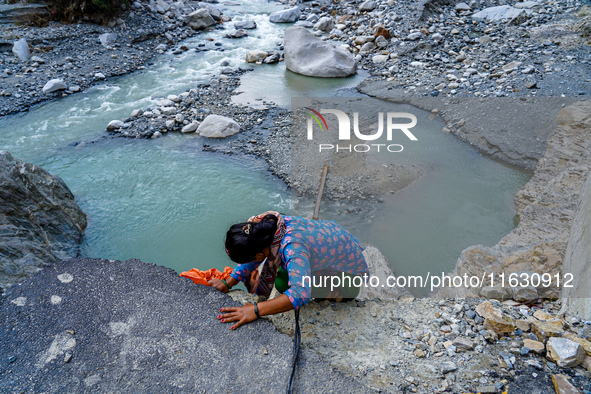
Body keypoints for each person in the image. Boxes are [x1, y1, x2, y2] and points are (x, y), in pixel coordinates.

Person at [208, 211, 368, 330]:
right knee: (284, 277)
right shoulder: (264, 224)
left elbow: (300, 294)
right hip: (330, 242)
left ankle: (336, 294)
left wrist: (256, 310)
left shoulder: (292, 248)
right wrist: (227, 282)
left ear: (259, 254)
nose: (249, 263)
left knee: (283, 283)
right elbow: (253, 256)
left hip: (348, 278)